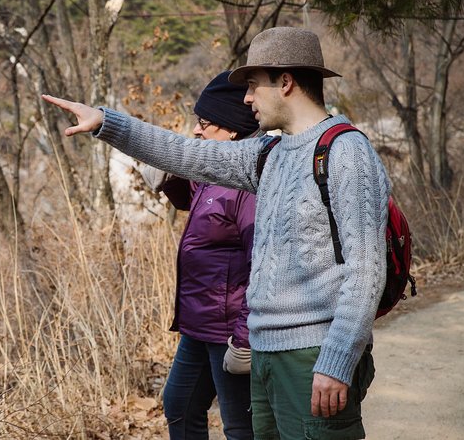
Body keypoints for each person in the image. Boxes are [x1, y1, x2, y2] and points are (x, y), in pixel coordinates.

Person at [43, 26, 388, 440]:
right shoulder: (271, 154)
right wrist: (107, 123)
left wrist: (336, 361)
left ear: (286, 82)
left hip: (312, 357)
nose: (246, 99)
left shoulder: (346, 152)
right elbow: (191, 155)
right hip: (266, 356)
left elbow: (366, 272)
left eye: (253, 86)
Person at [139, 71, 259, 439]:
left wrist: (244, 339)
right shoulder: (213, 172)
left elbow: (264, 267)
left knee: (240, 427)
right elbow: (193, 197)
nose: (196, 130)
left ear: (233, 130)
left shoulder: (248, 186)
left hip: (229, 332)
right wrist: (167, 171)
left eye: (205, 123)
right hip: (198, 325)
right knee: (180, 406)